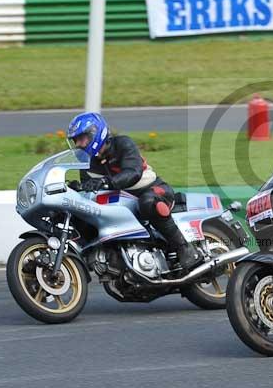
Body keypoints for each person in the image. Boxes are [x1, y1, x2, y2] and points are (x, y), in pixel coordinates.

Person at [66, 112, 201, 272]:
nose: (79, 144)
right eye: (76, 141)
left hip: (153, 190)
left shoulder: (122, 143)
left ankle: (185, 249)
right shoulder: (88, 163)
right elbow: (89, 187)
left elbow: (133, 172)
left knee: (148, 203)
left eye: (82, 138)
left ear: (95, 133)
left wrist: (105, 182)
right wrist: (78, 188)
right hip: (122, 202)